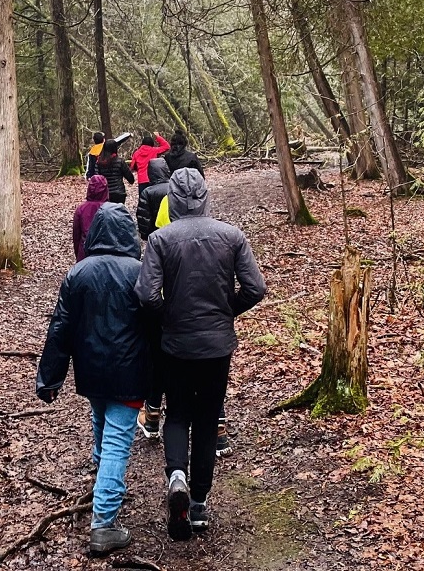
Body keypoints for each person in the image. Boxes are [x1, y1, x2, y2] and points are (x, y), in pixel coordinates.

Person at [135, 168, 266, 541]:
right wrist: (225, 312)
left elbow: (146, 294)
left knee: (177, 413)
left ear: (173, 201)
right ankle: (198, 504)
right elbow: (255, 288)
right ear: (205, 196)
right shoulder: (231, 235)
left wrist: (169, 316)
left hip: (176, 344)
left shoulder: (160, 239)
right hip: (216, 346)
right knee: (207, 419)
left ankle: (177, 476)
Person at [37, 203, 151, 556]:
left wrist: (50, 378)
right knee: (117, 441)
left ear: (96, 232)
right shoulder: (140, 272)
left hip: (91, 371)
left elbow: (60, 328)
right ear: (128, 233)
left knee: (101, 420)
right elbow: (156, 326)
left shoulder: (79, 273)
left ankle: (104, 481)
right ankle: (104, 523)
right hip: (130, 373)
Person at [136, 160, 234, 459]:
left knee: (161, 363)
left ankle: (154, 415)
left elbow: (148, 229)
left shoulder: (159, 206)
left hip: (172, 300)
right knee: (211, 372)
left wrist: (164, 311)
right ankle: (217, 429)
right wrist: (226, 309)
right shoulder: (221, 232)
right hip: (207, 305)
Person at [73, 175, 109, 261]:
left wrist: (78, 254)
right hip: (106, 254)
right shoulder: (110, 209)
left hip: (85, 253)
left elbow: (76, 235)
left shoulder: (81, 209)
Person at [95, 138, 135, 204]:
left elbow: (97, 178)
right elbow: (130, 179)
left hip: (105, 193)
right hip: (119, 193)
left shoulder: (99, 162)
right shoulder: (120, 161)